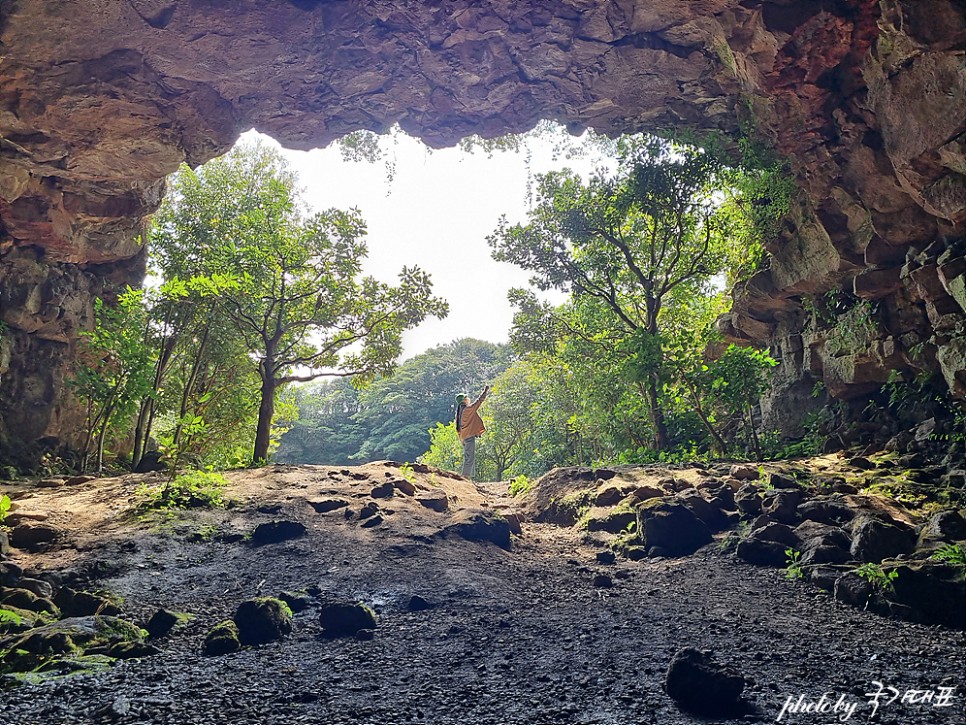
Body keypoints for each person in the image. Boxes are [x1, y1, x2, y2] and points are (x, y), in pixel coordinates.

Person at [455, 386, 489, 479]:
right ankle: (466, 477)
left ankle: (468, 477)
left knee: (469, 457)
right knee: (469, 458)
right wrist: (485, 391)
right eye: (467, 398)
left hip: (464, 438)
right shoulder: (467, 410)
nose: (468, 399)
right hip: (469, 437)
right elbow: (479, 402)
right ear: (464, 400)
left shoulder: (460, 412)